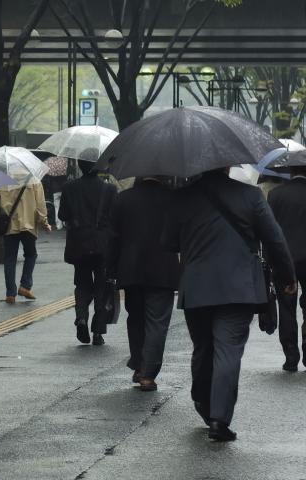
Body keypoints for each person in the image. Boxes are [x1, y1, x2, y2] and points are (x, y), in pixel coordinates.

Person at [163, 169, 295, 442]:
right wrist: (287, 278)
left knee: (203, 348)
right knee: (228, 350)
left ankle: (203, 403)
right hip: (238, 287)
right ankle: (219, 419)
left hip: (197, 286)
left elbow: (168, 242)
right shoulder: (250, 195)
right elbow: (274, 239)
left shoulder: (182, 197)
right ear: (228, 165)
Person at [109, 177, 179, 391]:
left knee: (136, 319)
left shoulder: (123, 199)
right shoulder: (173, 199)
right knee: (157, 323)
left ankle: (139, 365)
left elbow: (112, 237)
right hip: (163, 269)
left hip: (131, 269)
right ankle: (148, 374)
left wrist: (111, 271)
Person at [58, 157, 117, 346]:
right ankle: (98, 332)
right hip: (102, 244)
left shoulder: (69, 188)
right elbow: (115, 217)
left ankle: (81, 317)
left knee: (82, 284)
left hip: (79, 244)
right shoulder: (109, 189)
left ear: (80, 166)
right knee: (101, 286)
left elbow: (62, 215)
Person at [268, 166, 306, 371]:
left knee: (286, 307)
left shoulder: (276, 194)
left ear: (290, 170)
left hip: (285, 259)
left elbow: (269, 229)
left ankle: (291, 356)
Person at [0, 180, 51, 304]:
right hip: (28, 225)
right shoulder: (34, 180)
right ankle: (25, 286)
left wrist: (1, 210)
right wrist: (45, 223)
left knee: (9, 259)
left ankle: (10, 294)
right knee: (31, 255)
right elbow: (40, 205)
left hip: (10, 225)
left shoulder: (2, 178)